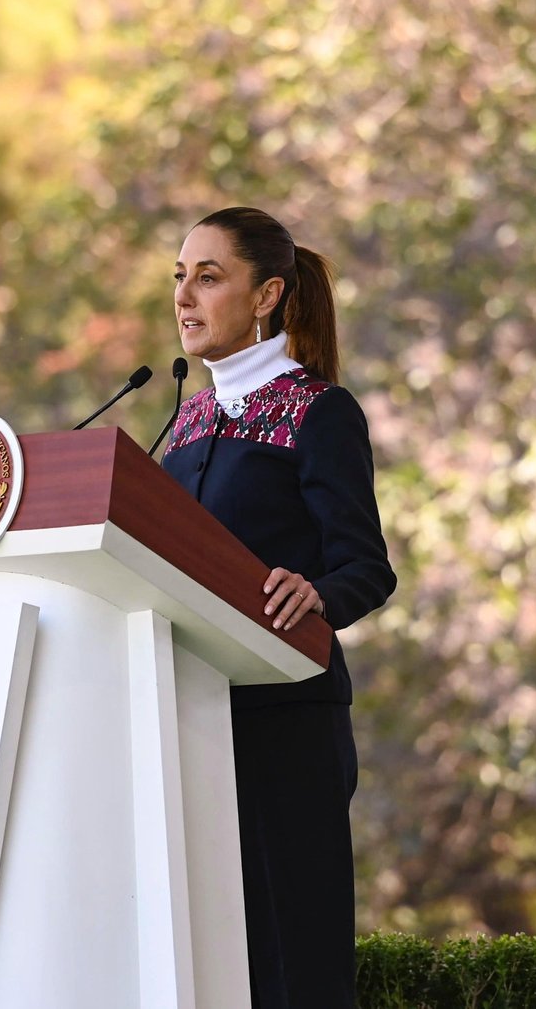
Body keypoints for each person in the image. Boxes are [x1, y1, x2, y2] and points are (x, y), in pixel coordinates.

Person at [160, 206, 396, 1008]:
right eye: (179, 277)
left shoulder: (318, 410)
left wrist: (318, 592)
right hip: (194, 718)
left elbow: (366, 567)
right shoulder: (185, 421)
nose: (186, 295)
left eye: (209, 275)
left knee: (297, 964)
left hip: (289, 717)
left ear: (266, 296)